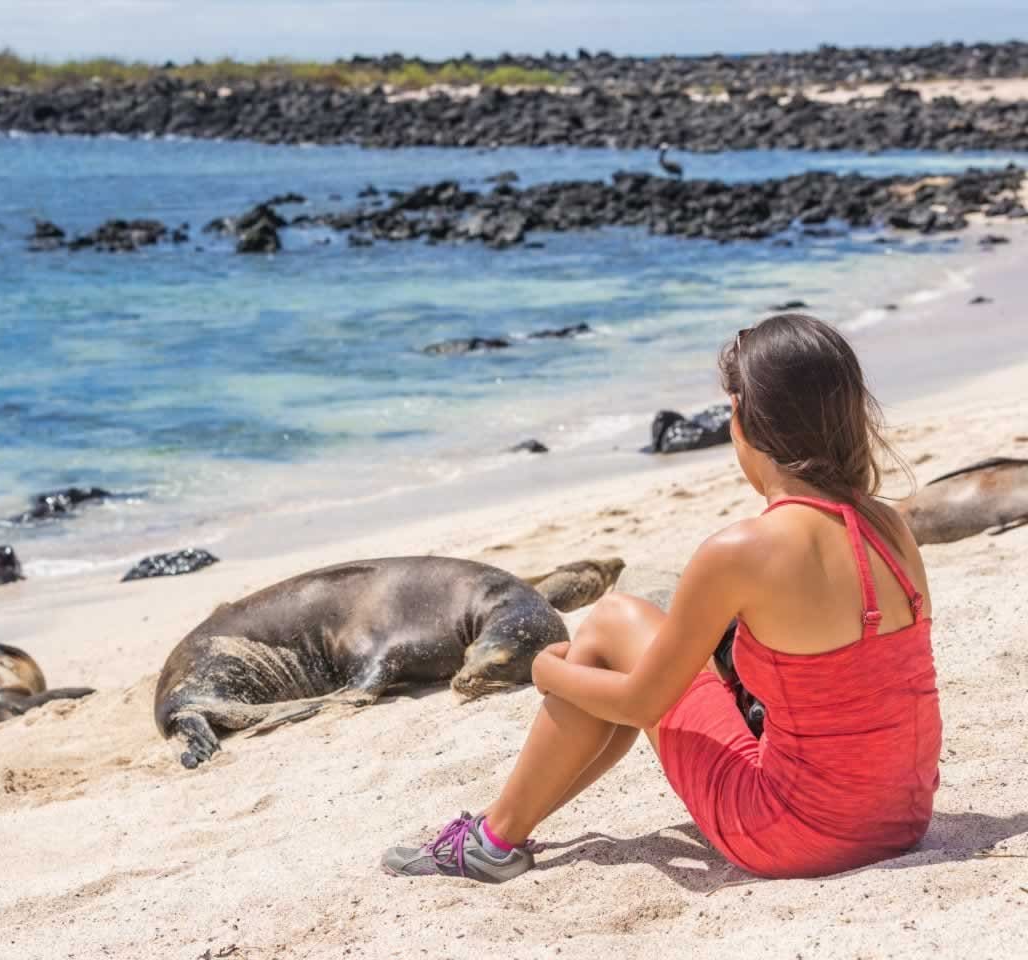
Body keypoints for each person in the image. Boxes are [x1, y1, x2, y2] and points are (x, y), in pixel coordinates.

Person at [382, 313, 942, 882]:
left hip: (796, 836)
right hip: (900, 820)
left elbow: (638, 705)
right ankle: (499, 831)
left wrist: (545, 671)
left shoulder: (743, 550)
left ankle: (495, 838)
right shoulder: (887, 526)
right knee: (630, 635)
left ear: (745, 422)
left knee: (608, 626)